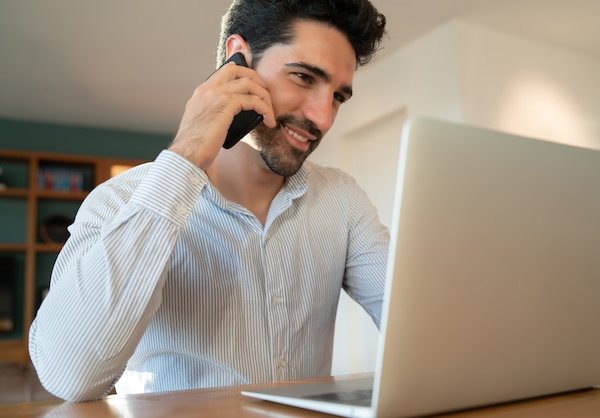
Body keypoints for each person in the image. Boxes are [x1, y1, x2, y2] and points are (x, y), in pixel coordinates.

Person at [29, 0, 388, 402]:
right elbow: (68, 376)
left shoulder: (343, 200)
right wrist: (186, 157)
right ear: (239, 59)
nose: (323, 117)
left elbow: (416, 328)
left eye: (338, 96)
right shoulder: (119, 199)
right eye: (304, 77)